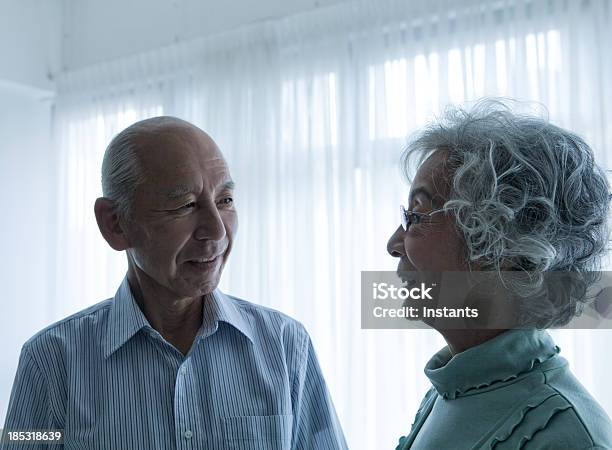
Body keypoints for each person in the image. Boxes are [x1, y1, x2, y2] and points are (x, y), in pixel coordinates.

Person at [2, 117, 348, 450]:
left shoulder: (286, 346)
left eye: (225, 201)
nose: (216, 231)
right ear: (115, 223)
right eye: (185, 205)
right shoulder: (51, 361)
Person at [386, 100, 612, 449]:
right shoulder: (453, 391)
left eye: (417, 217)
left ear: (504, 250)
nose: (393, 244)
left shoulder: (567, 436)